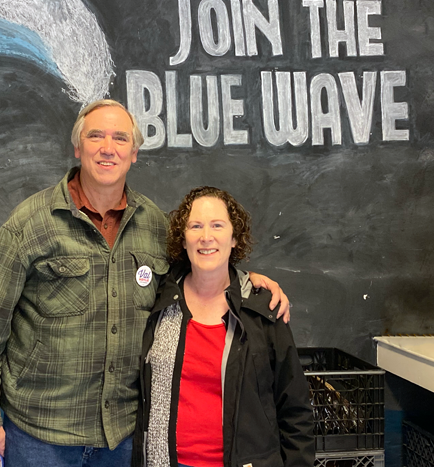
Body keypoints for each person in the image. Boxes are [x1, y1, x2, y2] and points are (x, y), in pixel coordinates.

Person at [0, 100, 291, 467]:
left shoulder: (156, 228)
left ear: (134, 153)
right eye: (95, 136)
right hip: (40, 436)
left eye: (120, 138)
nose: (107, 147)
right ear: (78, 147)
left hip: (123, 439)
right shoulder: (28, 225)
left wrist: (247, 282)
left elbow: (204, 266)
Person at [132, 186, 314, 467]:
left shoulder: (262, 309)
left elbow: (295, 409)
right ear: (183, 239)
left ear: (234, 238)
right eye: (196, 226)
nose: (206, 237)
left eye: (217, 225)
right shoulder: (158, 300)